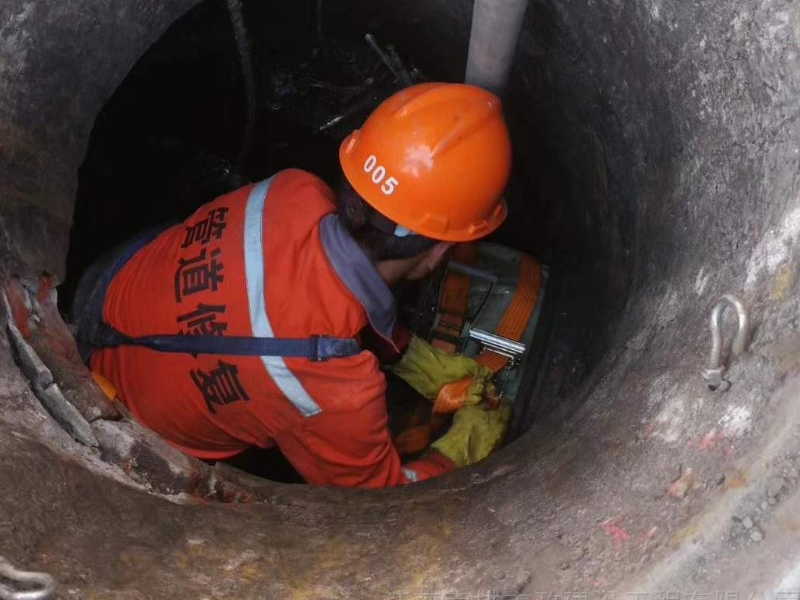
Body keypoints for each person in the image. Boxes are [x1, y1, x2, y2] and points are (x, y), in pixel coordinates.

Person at [75, 82, 512, 488]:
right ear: (438, 252)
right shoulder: (334, 391)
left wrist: (406, 355)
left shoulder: (291, 188)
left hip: (105, 292)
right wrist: (459, 451)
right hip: (134, 426)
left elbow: (319, 293)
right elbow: (377, 496)